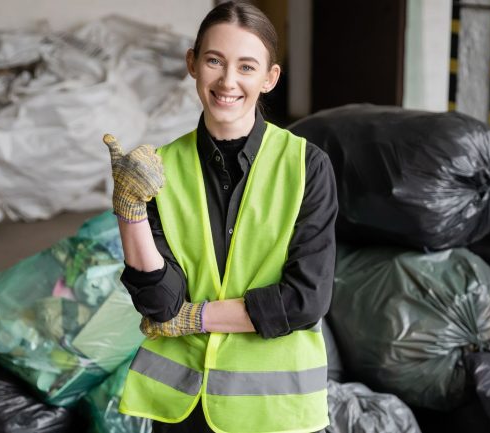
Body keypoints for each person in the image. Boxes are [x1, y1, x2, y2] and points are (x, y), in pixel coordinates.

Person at [103, 2, 337, 432]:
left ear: (270, 78)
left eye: (247, 67)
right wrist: (130, 211)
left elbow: (305, 300)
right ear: (192, 63)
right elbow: (160, 305)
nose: (228, 81)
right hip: (184, 410)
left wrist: (197, 318)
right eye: (214, 60)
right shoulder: (158, 168)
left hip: (274, 411)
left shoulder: (306, 166)